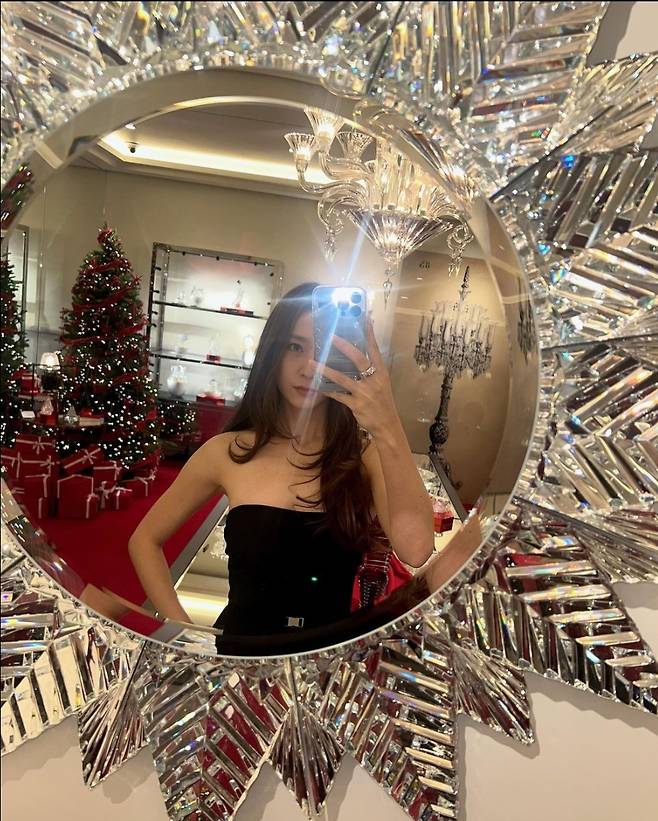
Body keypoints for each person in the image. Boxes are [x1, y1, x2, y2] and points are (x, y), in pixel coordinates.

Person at [128, 281, 434, 642]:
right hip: (240, 657)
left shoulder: (364, 456)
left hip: (326, 663)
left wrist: (387, 421)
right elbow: (144, 540)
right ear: (272, 353)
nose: (308, 368)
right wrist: (185, 632)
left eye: (322, 350)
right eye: (294, 347)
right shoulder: (225, 452)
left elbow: (416, 549)